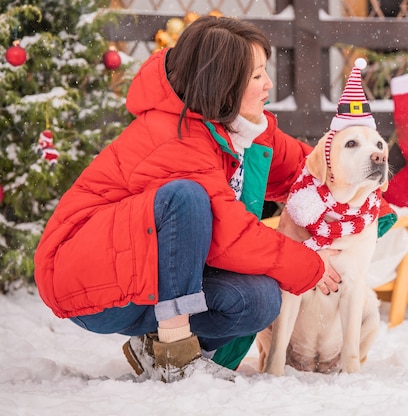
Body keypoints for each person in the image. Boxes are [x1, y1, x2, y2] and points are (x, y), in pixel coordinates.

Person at [33, 15, 348, 383]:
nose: (268, 84)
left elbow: (305, 168)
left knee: (258, 300)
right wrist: (310, 264)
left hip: (148, 274)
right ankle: (174, 353)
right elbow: (231, 236)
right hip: (87, 280)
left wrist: (370, 201)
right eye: (256, 75)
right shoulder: (174, 135)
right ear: (224, 84)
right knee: (186, 198)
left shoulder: (242, 127)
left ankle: (163, 354)